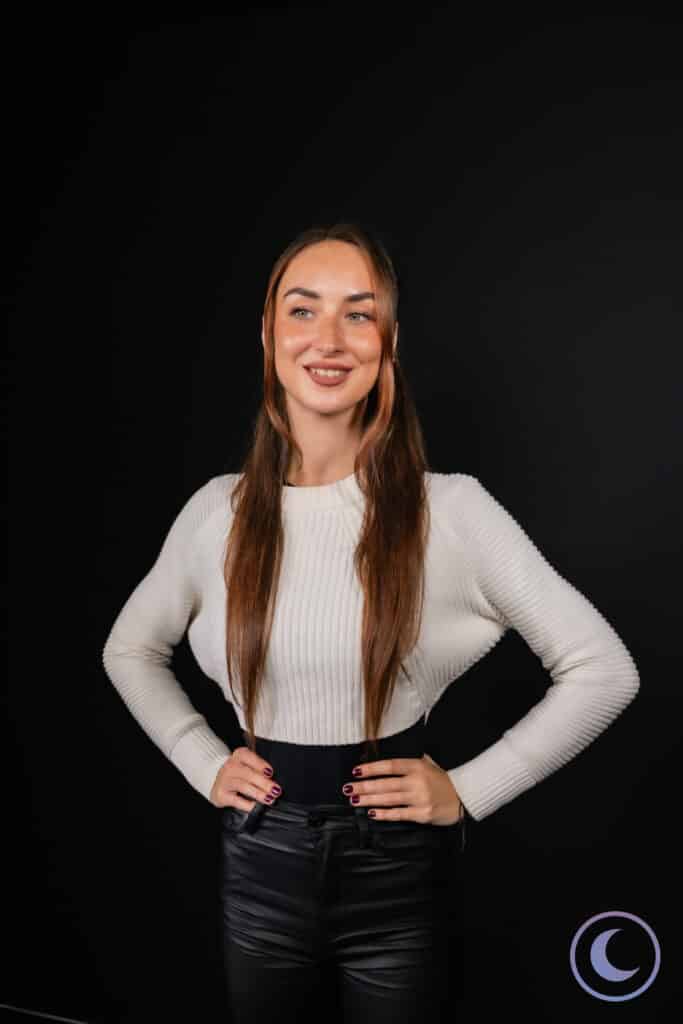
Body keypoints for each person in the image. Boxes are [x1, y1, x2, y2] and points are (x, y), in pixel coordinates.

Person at [101, 222, 640, 1022]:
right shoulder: (218, 511)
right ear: (266, 333)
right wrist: (197, 756)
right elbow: (130, 649)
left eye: (358, 313)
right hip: (259, 862)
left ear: (388, 341)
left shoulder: (449, 510)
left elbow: (604, 669)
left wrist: (468, 789)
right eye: (302, 309)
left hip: (396, 875)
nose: (328, 337)